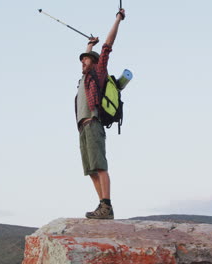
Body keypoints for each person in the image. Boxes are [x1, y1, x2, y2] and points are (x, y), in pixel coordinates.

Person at [75, 9, 125, 219]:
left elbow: (107, 46)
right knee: (91, 169)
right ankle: (101, 205)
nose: (82, 62)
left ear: (94, 63)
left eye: (86, 60)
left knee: (100, 165)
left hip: (94, 123)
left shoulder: (99, 72)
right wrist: (88, 45)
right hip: (83, 127)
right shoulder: (83, 79)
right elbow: (91, 54)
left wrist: (118, 19)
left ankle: (107, 205)